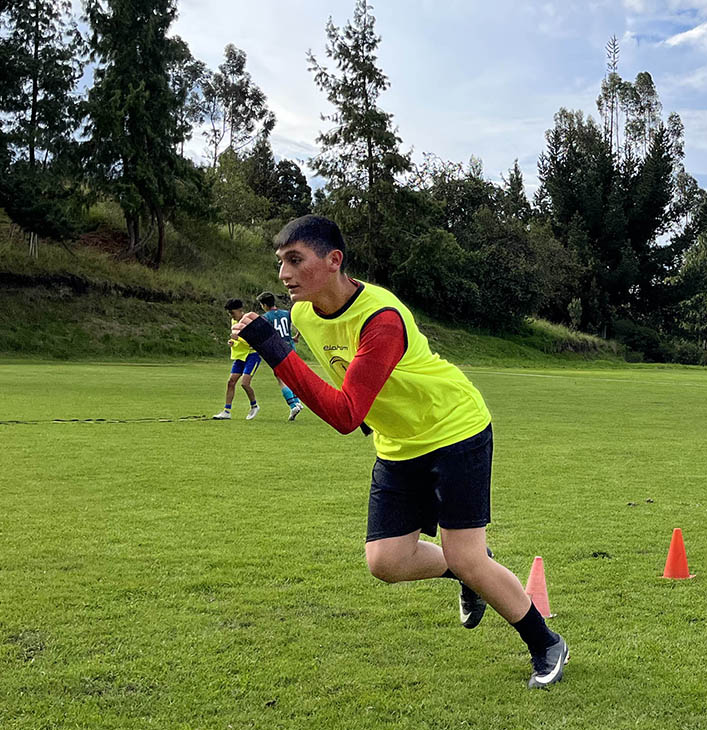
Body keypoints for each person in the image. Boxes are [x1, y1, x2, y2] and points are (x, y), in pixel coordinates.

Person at [230, 215, 568, 689]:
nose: (283, 274)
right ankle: (470, 573)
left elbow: (345, 414)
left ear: (333, 261)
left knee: (467, 554)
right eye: (280, 262)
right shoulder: (305, 314)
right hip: (398, 444)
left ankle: (545, 642)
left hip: (455, 430)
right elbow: (345, 383)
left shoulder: (382, 319)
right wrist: (283, 351)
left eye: (294, 260)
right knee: (385, 561)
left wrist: (274, 351)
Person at [257, 291, 304, 421]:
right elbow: (301, 323)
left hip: (277, 349)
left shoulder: (266, 317)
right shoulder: (287, 313)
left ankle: (293, 405)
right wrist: (296, 336)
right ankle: (297, 401)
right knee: (292, 376)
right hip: (290, 347)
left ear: (264, 305)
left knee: (280, 378)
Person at [213, 298, 260, 420]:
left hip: (252, 355)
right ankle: (226, 411)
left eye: (233, 313)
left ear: (240, 310)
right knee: (231, 382)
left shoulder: (249, 321)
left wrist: (238, 339)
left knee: (245, 383)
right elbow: (237, 338)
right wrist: (232, 342)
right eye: (230, 314)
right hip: (240, 356)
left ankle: (254, 406)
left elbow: (254, 341)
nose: (232, 316)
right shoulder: (234, 321)